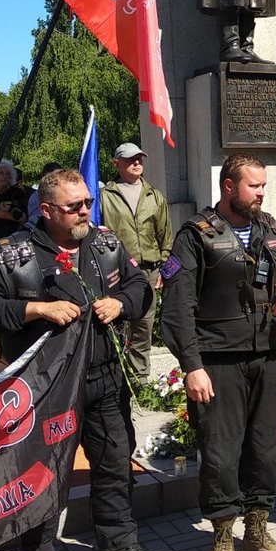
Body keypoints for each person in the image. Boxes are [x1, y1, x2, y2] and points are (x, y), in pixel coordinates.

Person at [0, 169, 155, 551]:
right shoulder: (14, 254)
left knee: (113, 462)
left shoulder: (106, 244)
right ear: (47, 210)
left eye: (87, 202)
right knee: (42, 474)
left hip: (104, 378)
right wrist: (37, 309)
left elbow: (140, 288)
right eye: (75, 206)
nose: (85, 211)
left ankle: (118, 543)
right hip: (46, 387)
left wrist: (121, 303)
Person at [160, 154, 276, 551]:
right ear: (228, 187)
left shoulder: (270, 228)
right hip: (218, 361)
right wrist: (191, 365)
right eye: (254, 186)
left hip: (269, 355)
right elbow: (177, 307)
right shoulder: (195, 236)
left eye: (262, 186)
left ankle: (257, 527)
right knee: (220, 452)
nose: (262, 192)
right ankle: (222, 533)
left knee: (265, 447)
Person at [100, 142, 173, 390]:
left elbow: (165, 235)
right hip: (117, 270)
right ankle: (116, 378)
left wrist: (165, 267)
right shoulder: (105, 196)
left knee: (143, 324)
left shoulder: (154, 195)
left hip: (148, 270)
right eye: (130, 159)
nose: (136, 163)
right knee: (118, 323)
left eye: (140, 159)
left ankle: (139, 380)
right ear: (116, 163)